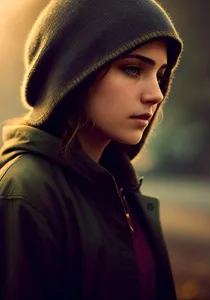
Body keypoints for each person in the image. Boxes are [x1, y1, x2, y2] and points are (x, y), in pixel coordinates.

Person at [0, 0, 183, 299]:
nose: (156, 94)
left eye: (161, 75)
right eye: (134, 69)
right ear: (76, 73)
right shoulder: (26, 193)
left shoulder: (123, 189)